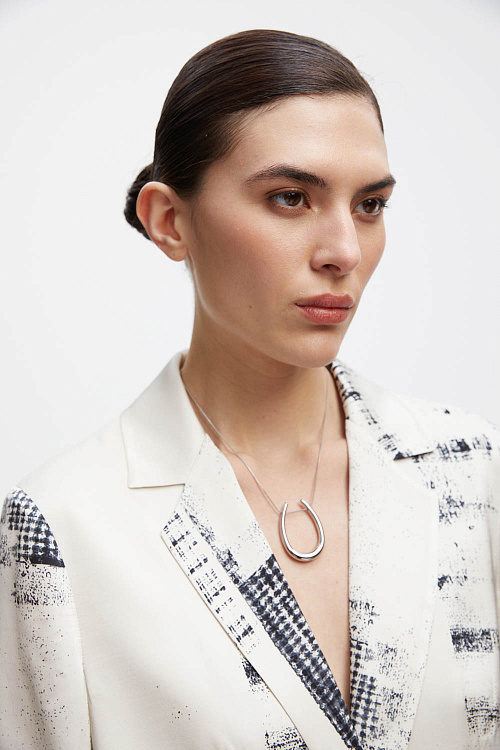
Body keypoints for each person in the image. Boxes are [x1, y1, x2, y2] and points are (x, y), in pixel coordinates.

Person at [0, 29, 498, 750]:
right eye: (291, 198)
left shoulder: (472, 470)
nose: (344, 252)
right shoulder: (65, 530)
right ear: (170, 221)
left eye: (369, 205)